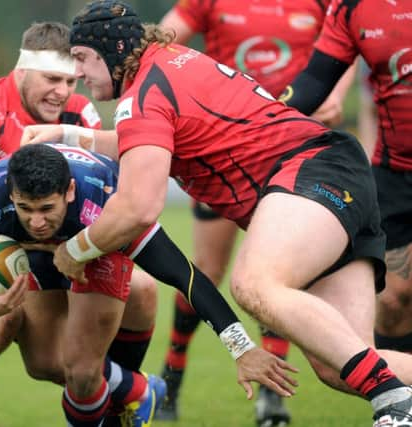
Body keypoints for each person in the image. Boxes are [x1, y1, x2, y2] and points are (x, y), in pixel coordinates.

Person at [22, 1, 412, 425]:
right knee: (344, 363)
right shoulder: (168, 65)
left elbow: (137, 208)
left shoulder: (145, 93)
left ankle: (393, 400)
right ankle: (392, 390)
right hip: (334, 173)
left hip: (312, 173)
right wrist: (69, 134)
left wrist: (74, 251)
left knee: (254, 283)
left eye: (81, 58)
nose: (78, 73)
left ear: (111, 51)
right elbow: (147, 142)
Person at [0, 143, 299, 426]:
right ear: (11, 196)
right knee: (43, 365)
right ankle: (140, 390)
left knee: (83, 373)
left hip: (97, 244)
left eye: (46, 209)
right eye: (25, 209)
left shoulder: (106, 204)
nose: (35, 220)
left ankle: (122, 395)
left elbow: (185, 276)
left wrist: (241, 347)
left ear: (68, 191)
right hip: (40, 256)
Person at [0, 21, 160, 427]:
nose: (63, 91)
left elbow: (98, 193)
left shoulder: (77, 112)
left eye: (71, 80)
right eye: (51, 78)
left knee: (142, 290)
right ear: (21, 71)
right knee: (23, 334)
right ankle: (136, 390)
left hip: (45, 253)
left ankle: (123, 403)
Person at [156, 1, 357, 423]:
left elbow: (348, 42)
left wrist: (335, 95)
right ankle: (171, 378)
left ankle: (271, 395)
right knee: (206, 270)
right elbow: (160, 41)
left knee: (277, 276)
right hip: (224, 154)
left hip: (294, 153)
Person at [280, 0, 412, 379]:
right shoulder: (351, 7)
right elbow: (316, 80)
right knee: (393, 303)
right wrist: (264, 114)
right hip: (395, 174)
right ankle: (402, 405)